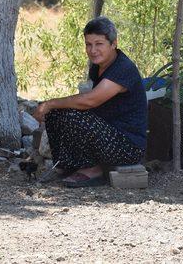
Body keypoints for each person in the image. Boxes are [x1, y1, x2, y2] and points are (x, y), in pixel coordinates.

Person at [33, 16, 148, 187]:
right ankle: (71, 165)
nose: (93, 50)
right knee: (58, 113)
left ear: (114, 43)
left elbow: (90, 101)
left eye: (99, 44)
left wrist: (48, 103)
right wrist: (52, 107)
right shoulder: (99, 66)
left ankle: (93, 170)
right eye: (88, 44)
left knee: (69, 113)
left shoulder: (123, 68)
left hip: (127, 146)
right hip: (108, 134)